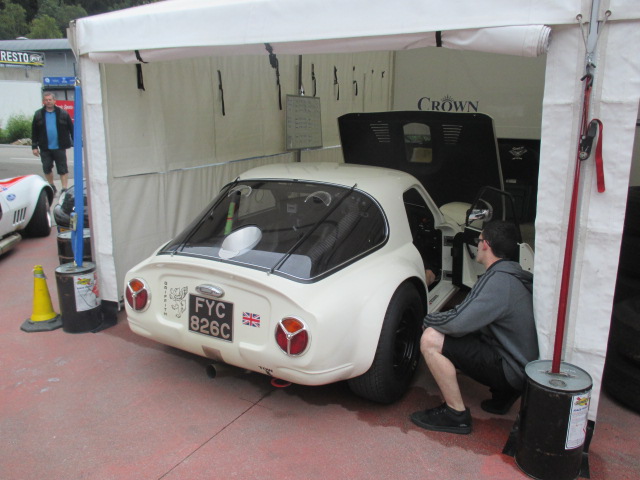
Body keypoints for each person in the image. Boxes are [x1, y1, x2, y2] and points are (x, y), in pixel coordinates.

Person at [411, 220, 538, 435]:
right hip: (520, 363)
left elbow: (459, 321)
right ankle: (503, 396)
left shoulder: (498, 281)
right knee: (466, 336)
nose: (477, 245)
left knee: (431, 339)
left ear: (486, 245)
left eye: (479, 241)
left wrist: (426, 320)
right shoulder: (510, 274)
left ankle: (455, 415)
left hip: (512, 368)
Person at [31, 92, 74, 194]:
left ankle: (64, 188)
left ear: (54, 101)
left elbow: (71, 129)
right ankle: (52, 186)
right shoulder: (38, 114)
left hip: (59, 146)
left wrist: (75, 142)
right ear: (43, 101)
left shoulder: (63, 113)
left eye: (50, 99)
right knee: (46, 167)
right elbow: (34, 131)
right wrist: (34, 146)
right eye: (46, 100)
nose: (48, 102)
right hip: (45, 147)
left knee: (62, 168)